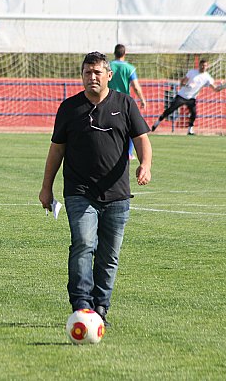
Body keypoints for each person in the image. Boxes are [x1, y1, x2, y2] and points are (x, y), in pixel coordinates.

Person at [39, 51, 152, 326]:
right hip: (79, 192)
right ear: (82, 75)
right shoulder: (69, 108)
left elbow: (142, 140)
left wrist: (145, 165)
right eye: (87, 73)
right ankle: (81, 306)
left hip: (117, 195)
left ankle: (101, 307)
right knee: (83, 245)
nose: (92, 77)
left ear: (108, 75)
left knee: (109, 256)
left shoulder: (124, 104)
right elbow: (56, 150)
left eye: (97, 73)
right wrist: (46, 188)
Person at [151, 59, 226, 135]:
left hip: (192, 98)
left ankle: (190, 130)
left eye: (205, 66)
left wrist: (222, 87)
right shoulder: (192, 72)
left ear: (207, 66)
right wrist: (187, 85)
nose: (203, 67)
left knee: (194, 113)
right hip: (182, 96)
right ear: (199, 65)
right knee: (170, 110)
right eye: (202, 65)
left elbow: (215, 89)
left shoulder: (207, 77)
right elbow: (182, 82)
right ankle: (157, 122)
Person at [109, 44, 146, 159]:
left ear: (114, 53)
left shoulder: (108, 66)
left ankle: (109, 151)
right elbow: (135, 86)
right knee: (130, 127)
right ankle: (129, 153)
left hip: (108, 99)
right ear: (124, 54)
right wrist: (142, 99)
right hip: (123, 101)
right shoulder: (129, 68)